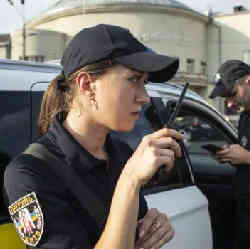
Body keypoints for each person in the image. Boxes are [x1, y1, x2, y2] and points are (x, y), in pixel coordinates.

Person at [4, 24, 183, 249]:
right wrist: (129, 181)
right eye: (133, 79)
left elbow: (129, 230)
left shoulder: (120, 153)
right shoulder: (28, 173)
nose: (145, 97)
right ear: (87, 85)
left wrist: (150, 228)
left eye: (144, 83)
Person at [210, 59, 250, 248]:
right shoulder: (245, 115)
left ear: (247, 81)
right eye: (226, 97)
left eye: (232, 94)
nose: (230, 103)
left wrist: (246, 157)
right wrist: (232, 155)